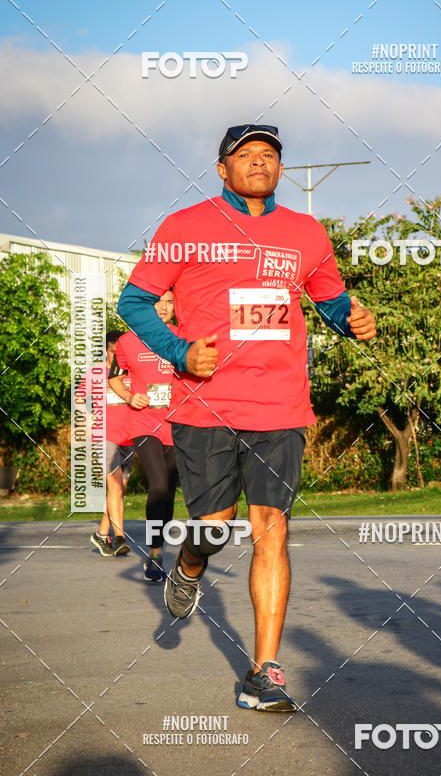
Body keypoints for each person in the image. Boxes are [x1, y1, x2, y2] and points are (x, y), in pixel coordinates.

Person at [118, 124, 376, 711]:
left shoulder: (306, 232)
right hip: (206, 404)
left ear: (280, 169)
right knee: (213, 524)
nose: (260, 163)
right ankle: (190, 562)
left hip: (281, 404)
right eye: (246, 155)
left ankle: (265, 672)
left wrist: (351, 320)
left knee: (271, 528)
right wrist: (181, 352)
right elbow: (133, 301)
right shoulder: (185, 227)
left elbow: (330, 298)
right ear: (222, 168)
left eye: (270, 155)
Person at [108, 292, 179, 581]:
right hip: (144, 423)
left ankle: (159, 548)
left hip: (178, 424)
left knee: (170, 491)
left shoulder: (183, 336)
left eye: (170, 302)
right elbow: (113, 377)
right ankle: (155, 551)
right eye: (158, 301)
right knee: (159, 485)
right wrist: (129, 395)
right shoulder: (128, 340)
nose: (164, 307)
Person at [88, 330, 135, 557]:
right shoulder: (96, 373)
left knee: (119, 491)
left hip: (130, 438)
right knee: (115, 487)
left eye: (120, 353)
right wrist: (87, 419)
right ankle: (119, 538)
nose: (117, 357)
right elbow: (79, 400)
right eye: (113, 352)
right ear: (106, 351)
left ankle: (100, 534)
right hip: (105, 437)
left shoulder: (132, 373)